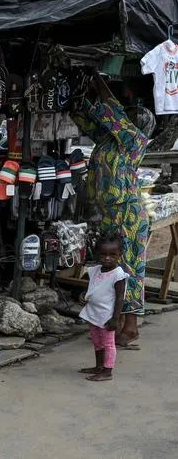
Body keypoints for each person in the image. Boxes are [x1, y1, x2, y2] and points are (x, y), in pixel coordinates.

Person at [73, 72, 149, 350]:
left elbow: (112, 110)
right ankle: (120, 324)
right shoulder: (109, 141)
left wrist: (97, 81)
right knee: (117, 269)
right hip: (111, 213)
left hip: (128, 213)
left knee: (129, 270)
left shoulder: (134, 140)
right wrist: (78, 93)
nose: (121, 119)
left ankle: (130, 326)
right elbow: (87, 117)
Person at [78, 233, 128, 382]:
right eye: (103, 254)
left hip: (107, 316)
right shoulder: (94, 271)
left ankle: (108, 371)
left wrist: (115, 319)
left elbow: (120, 298)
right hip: (93, 313)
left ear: (120, 255)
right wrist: (83, 296)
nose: (107, 258)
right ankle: (99, 366)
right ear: (97, 254)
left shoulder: (118, 275)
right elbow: (92, 289)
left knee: (108, 344)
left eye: (112, 255)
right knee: (96, 341)